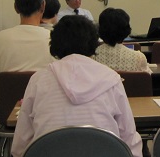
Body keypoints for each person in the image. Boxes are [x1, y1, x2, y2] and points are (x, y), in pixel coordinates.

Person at [11, 15, 142, 157]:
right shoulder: (111, 79)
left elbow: (20, 146)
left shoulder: (38, 80)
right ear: (93, 43)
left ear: (55, 44)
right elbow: (129, 139)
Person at [0, 0, 54, 75]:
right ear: (43, 6)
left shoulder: (0, 38)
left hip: (9, 89)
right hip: (43, 89)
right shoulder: (54, 39)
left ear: (16, 7)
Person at [93, 8, 152, 73]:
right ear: (126, 30)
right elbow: (148, 78)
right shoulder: (138, 58)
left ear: (100, 29)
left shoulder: (92, 56)